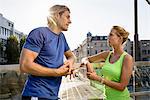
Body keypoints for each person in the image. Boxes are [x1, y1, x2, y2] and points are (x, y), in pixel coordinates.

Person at [19, 5, 76, 100]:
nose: (70, 21)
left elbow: (71, 56)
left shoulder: (61, 37)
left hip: (53, 95)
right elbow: (24, 66)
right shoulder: (39, 33)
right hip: (36, 94)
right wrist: (56, 72)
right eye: (67, 17)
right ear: (57, 15)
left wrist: (69, 63)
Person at [82, 26, 134, 100]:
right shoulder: (106, 55)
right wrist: (87, 63)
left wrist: (98, 78)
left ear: (120, 38)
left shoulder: (127, 58)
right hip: (106, 97)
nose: (108, 37)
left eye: (111, 35)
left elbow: (122, 87)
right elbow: (85, 59)